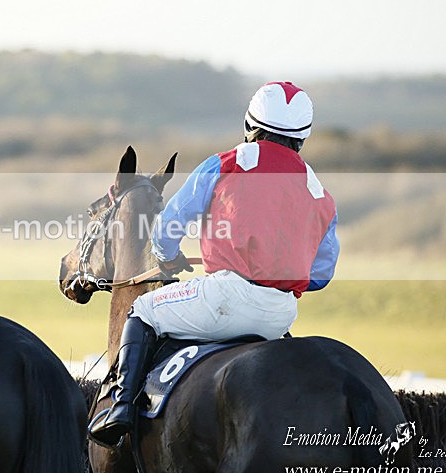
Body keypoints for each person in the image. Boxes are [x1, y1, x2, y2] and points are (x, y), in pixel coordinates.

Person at [89, 81, 340, 446]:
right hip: (280, 315)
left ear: (250, 126)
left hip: (223, 297)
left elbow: (167, 229)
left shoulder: (224, 163)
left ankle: (122, 409)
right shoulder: (320, 191)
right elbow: (320, 275)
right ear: (302, 138)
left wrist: (166, 255)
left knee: (142, 310)